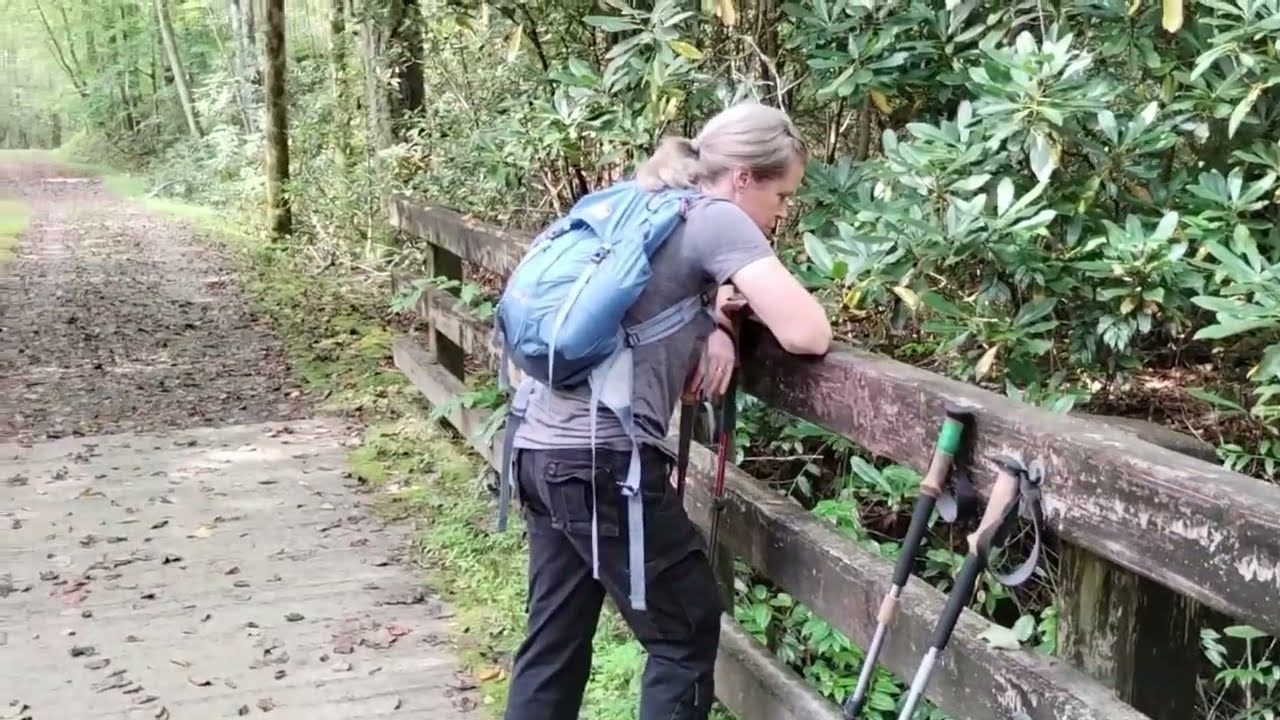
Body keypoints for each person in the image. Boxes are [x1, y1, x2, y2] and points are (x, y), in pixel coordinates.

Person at [501, 100, 833, 720]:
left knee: (554, 639)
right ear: (743, 178)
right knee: (684, 634)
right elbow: (808, 333)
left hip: (538, 447)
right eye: (782, 195)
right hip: (601, 464)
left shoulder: (640, 197)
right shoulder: (718, 220)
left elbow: (649, 305)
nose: (782, 212)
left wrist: (716, 322)